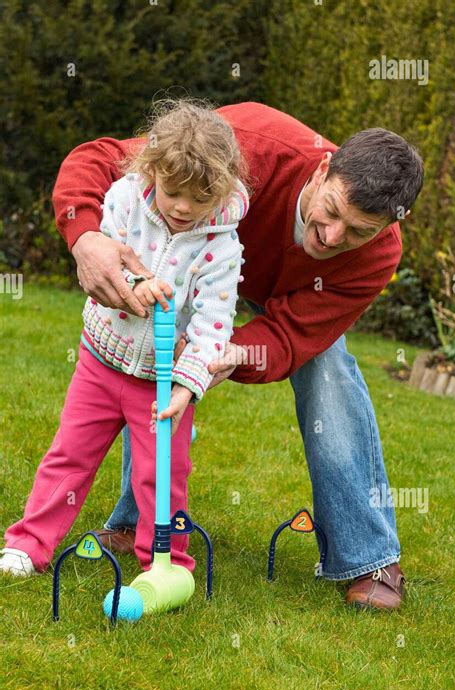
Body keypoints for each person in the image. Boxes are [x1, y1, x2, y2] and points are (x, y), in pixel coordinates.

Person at [49, 102, 424, 610]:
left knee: (328, 364)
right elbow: (101, 158)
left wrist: (227, 355)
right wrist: (86, 236)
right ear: (321, 170)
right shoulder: (252, 142)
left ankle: (369, 555)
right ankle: (140, 523)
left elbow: (294, 335)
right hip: (201, 273)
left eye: (358, 232)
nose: (333, 238)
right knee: (161, 332)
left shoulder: (378, 255)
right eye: (331, 212)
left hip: (287, 298)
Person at [0, 99, 250, 577]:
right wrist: (136, 286)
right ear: (153, 169)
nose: (183, 207)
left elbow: (213, 327)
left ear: (220, 190)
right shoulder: (123, 199)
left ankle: (166, 561)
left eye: (199, 199)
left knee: (164, 476)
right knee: (70, 456)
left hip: (163, 384)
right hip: (100, 360)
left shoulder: (222, 246)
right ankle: (29, 545)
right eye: (174, 191)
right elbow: (108, 265)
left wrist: (187, 387)